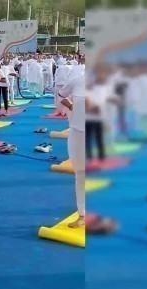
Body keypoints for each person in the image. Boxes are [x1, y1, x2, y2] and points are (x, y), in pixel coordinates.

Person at [59, 73, 85, 229]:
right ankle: (82, 214)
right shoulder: (77, 79)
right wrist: (70, 106)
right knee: (80, 173)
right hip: (77, 133)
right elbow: (61, 95)